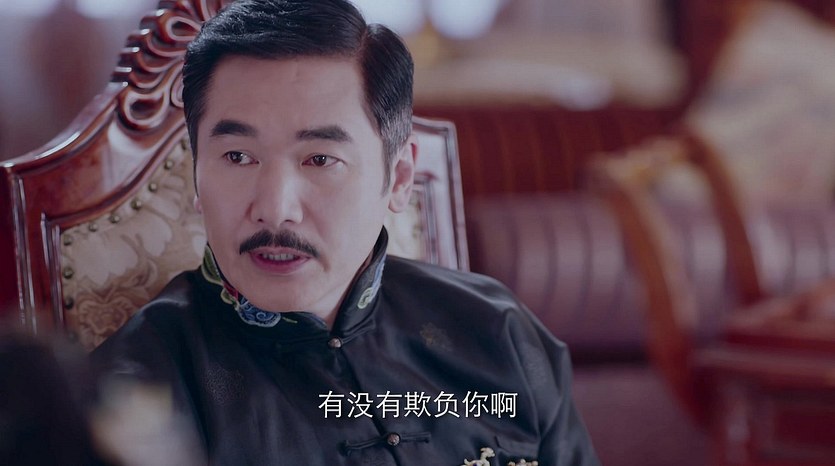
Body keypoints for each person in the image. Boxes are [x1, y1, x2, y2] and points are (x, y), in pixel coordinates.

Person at [91, 0, 600, 464]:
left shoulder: (498, 334)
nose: (276, 210)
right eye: (238, 156)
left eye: (320, 159)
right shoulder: (133, 400)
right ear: (196, 174)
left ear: (398, 177)